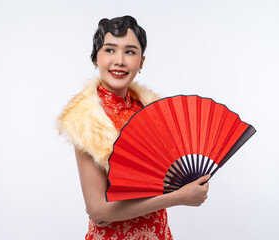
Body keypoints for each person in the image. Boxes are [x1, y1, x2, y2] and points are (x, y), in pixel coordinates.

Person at [58, 15, 210, 240]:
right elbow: (98, 210)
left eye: (130, 51)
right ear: (95, 58)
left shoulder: (149, 110)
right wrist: (179, 197)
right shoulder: (87, 118)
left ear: (141, 62)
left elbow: (163, 177)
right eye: (110, 50)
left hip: (158, 233)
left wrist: (192, 181)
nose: (119, 60)